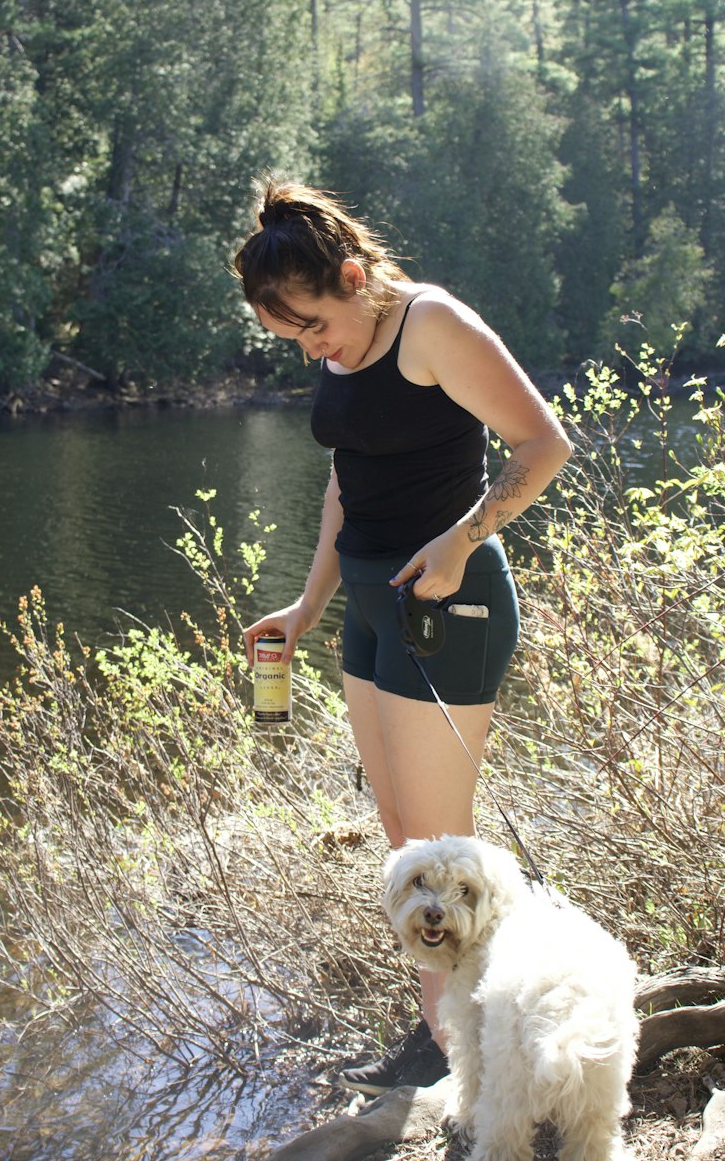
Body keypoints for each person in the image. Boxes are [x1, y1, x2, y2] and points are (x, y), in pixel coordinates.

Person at [234, 180, 573, 1096]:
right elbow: (350, 480)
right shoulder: (345, 343)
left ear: (352, 276)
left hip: (446, 604)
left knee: (442, 850)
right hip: (373, 605)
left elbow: (543, 446)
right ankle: (449, 1039)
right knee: (403, 843)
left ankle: (486, 1056)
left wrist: (464, 541)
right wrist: (308, 606)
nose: (313, 347)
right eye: (295, 339)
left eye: (312, 327)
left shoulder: (433, 326)